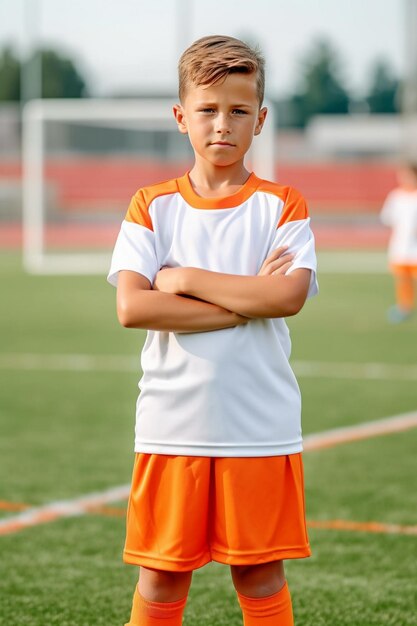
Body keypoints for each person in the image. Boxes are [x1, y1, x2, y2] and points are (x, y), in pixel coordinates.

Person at [108, 35, 318, 626]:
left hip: (259, 425)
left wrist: (184, 279)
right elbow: (133, 308)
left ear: (261, 120)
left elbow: (288, 295)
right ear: (181, 116)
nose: (221, 124)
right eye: (207, 109)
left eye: (238, 111)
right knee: (161, 575)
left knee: (259, 573)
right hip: (173, 424)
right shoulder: (151, 206)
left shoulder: (283, 205)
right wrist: (243, 300)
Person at [380, 161, 417, 323]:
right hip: (400, 247)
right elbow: (387, 218)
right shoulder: (396, 196)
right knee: (402, 279)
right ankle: (404, 307)